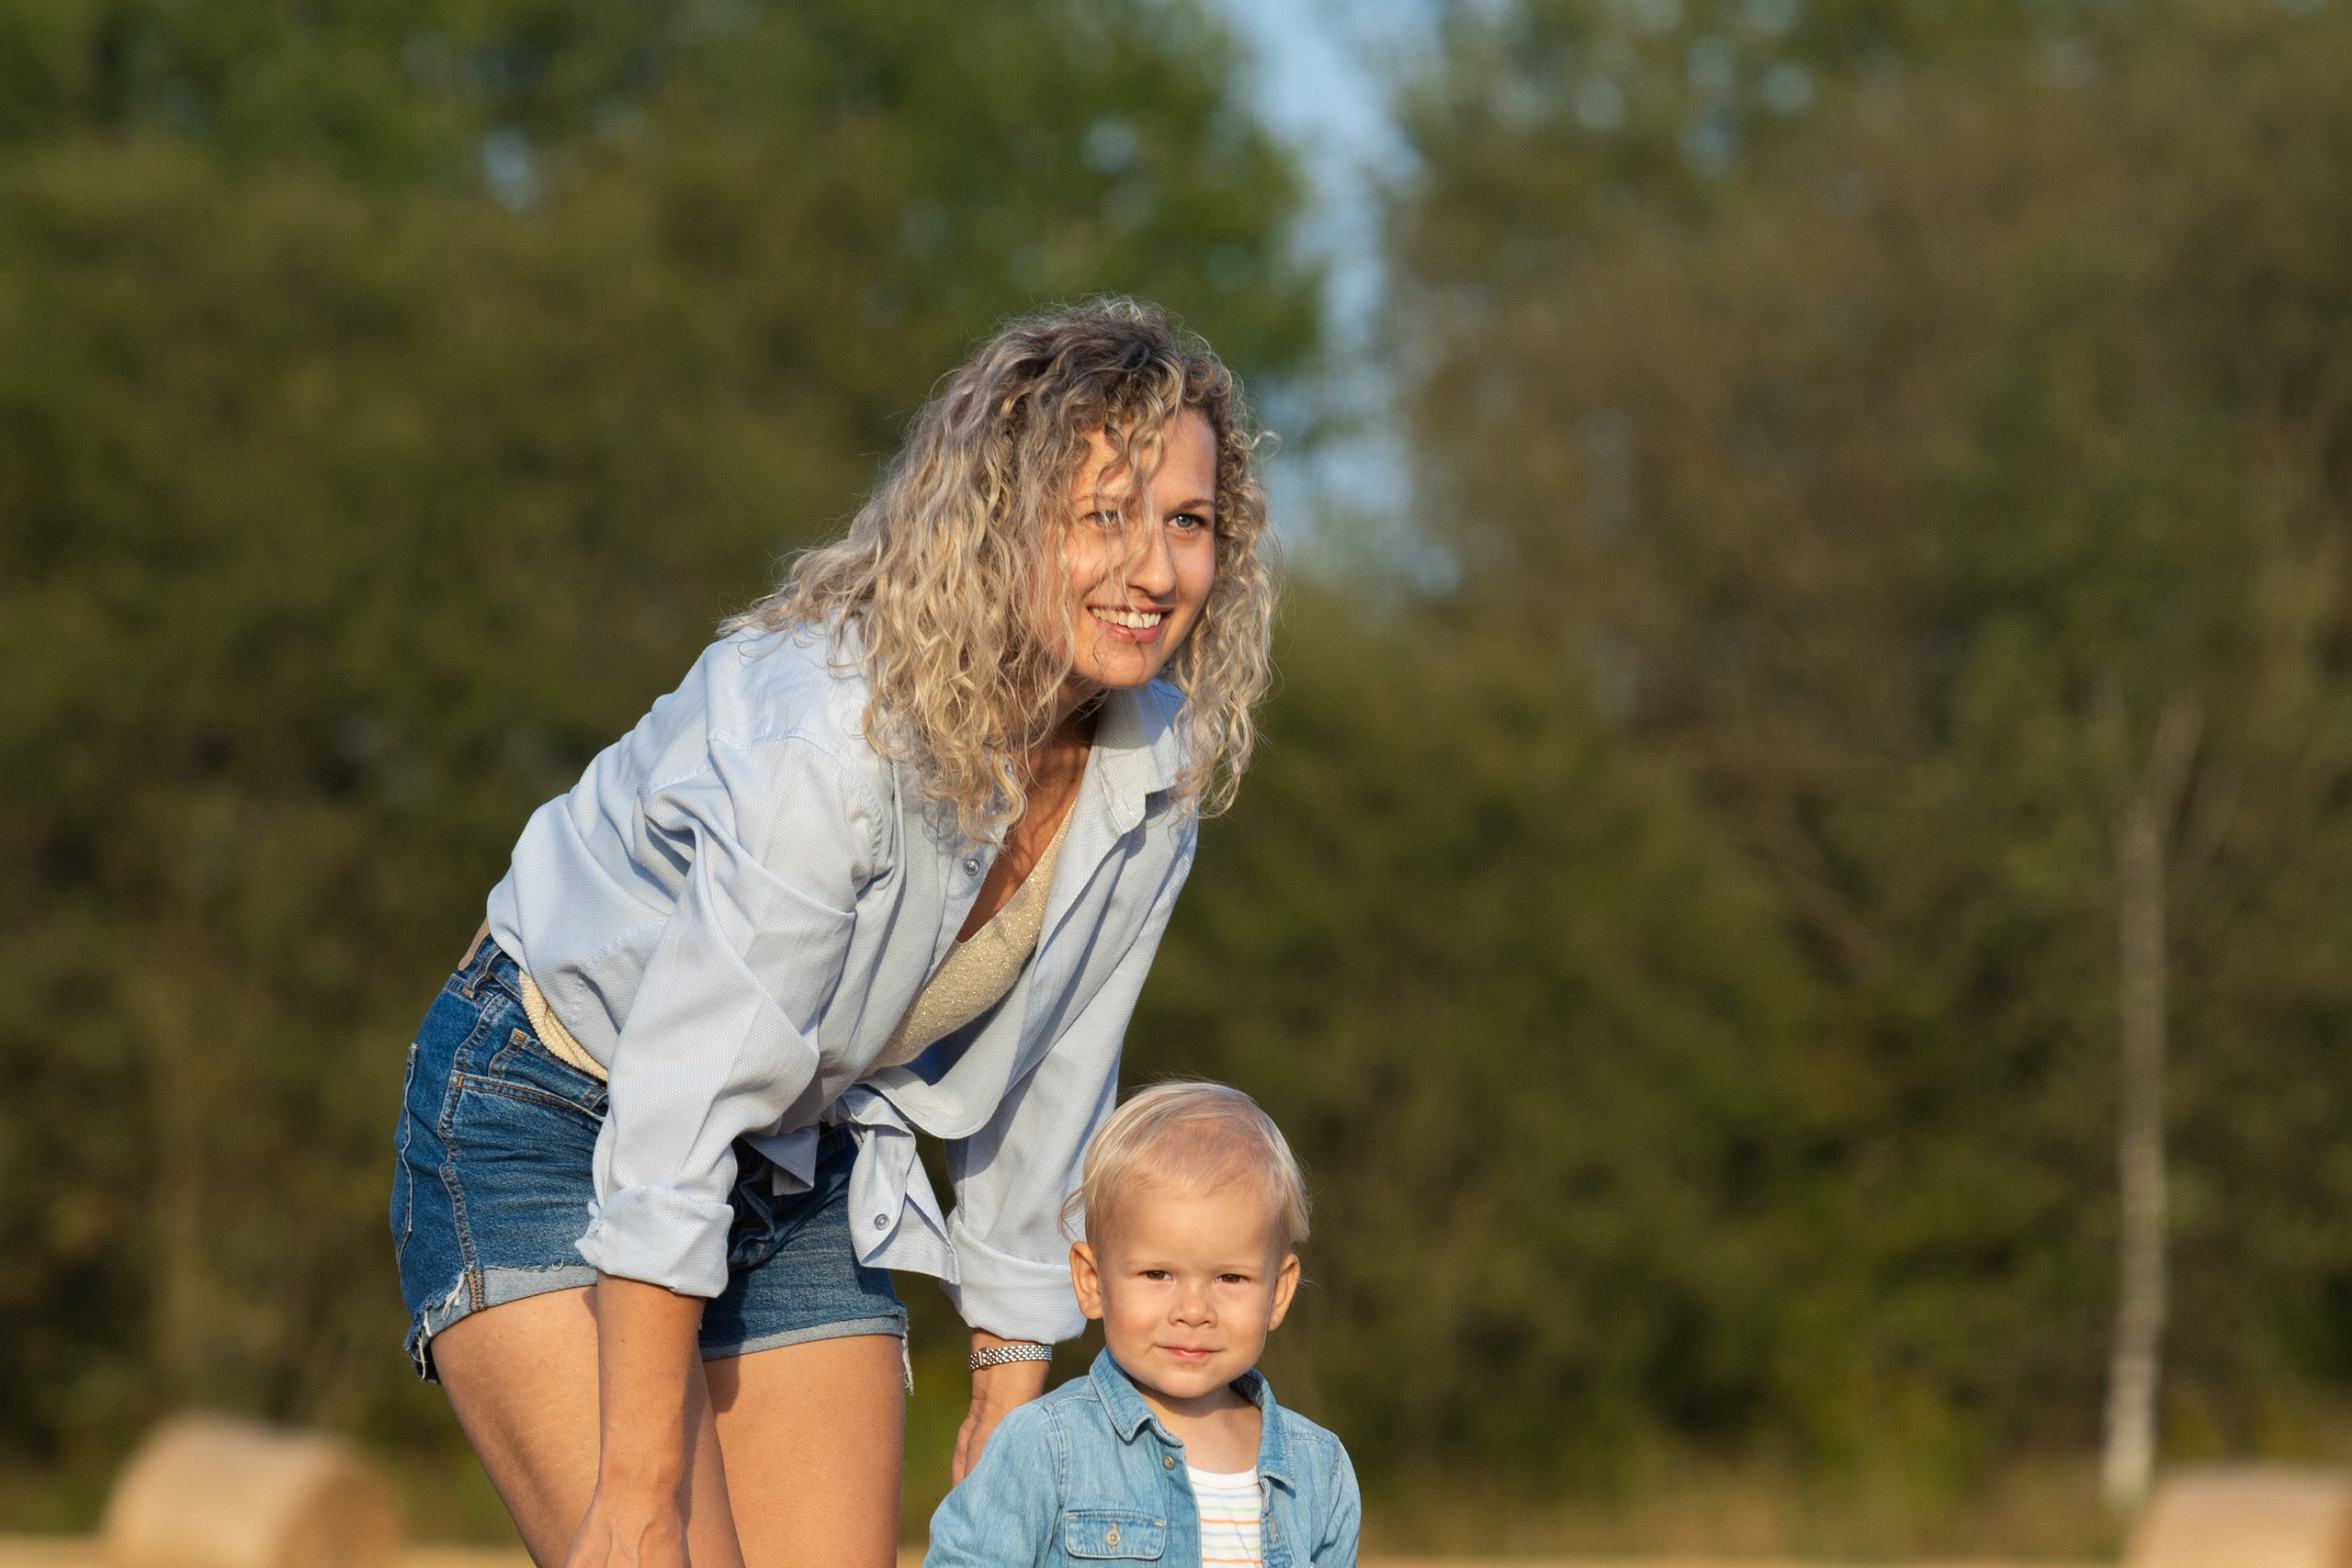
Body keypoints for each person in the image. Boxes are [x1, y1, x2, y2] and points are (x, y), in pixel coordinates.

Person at [388, 299, 1277, 1568]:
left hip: (798, 1151)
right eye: (1103, 516)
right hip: (546, 1107)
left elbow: (1054, 1083)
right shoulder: (828, 734)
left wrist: (1008, 1388)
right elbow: (678, 1110)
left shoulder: (1153, 772)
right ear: (997, 521)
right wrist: (638, 1496)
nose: (1152, 570)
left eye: (1186, 522)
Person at [925, 1082, 1361, 1568]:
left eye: (1230, 1278)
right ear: (1092, 1281)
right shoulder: (1046, 1445)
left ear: (1278, 1292)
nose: (1193, 1311)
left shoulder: (1320, 1470)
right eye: (1158, 1275)